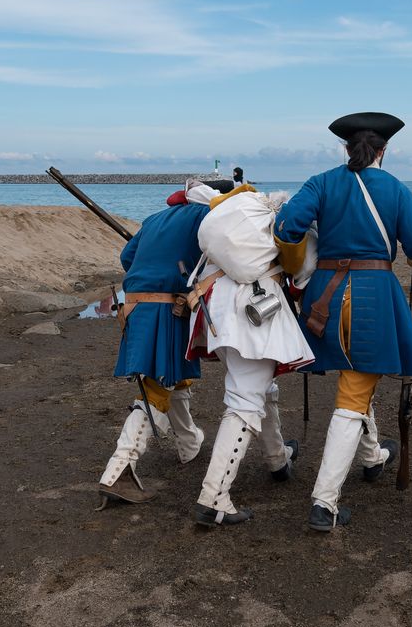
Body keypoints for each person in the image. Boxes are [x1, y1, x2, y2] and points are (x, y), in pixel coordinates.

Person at [274, 112, 412, 531]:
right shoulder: (396, 188)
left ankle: (372, 457)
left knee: (356, 381)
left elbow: (287, 227)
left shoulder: (321, 182)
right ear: (384, 150)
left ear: (346, 149)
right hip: (371, 299)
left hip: (323, 299)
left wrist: (298, 263)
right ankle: (324, 502)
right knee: (353, 392)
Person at [96, 178, 235, 506]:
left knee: (172, 375)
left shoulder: (156, 218)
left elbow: (127, 256)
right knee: (158, 385)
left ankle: (189, 444)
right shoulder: (208, 216)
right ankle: (119, 467)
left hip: (136, 305)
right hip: (167, 308)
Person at [186, 183, 314, 526]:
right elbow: (302, 277)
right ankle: (214, 497)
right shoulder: (286, 225)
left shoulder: (242, 215)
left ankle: (277, 459)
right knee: (245, 400)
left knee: (258, 390)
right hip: (253, 311)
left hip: (216, 306)